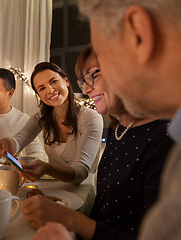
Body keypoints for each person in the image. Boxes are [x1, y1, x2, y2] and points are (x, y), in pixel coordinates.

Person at [23, 46, 173, 240]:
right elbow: (105, 211)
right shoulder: (117, 130)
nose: (85, 89)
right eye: (83, 80)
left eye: (95, 75)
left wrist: (70, 220)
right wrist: (56, 207)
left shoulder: (164, 140)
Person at [77, 1, 181, 239]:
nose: (87, 88)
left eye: (101, 59)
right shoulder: (121, 131)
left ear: (138, 34)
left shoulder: (167, 141)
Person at [0, 62, 103, 184]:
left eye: (54, 81)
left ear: (66, 81)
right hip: (53, 187)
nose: (50, 90)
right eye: (42, 88)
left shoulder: (91, 117)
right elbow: (20, 139)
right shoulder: (42, 117)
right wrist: (9, 144)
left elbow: (81, 171)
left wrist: (47, 168)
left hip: (84, 190)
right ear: (39, 95)